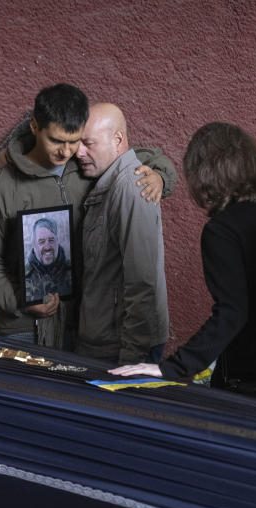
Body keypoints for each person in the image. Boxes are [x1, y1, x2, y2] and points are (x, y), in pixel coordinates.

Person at [110, 122, 256, 411]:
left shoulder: (223, 230)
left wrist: (173, 368)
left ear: (204, 173)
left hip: (251, 385)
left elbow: (232, 312)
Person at [0, 83, 176, 348]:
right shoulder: (1, 186)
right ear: (35, 127)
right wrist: (22, 299)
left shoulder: (87, 165)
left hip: (83, 327)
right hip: (25, 330)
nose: (66, 151)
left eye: (74, 141)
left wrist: (160, 177)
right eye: (57, 141)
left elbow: (145, 157)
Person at [74, 103, 168, 365]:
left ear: (117, 139)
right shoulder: (109, 179)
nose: (78, 152)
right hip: (104, 339)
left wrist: (133, 360)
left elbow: (143, 283)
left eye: (88, 143)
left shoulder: (130, 187)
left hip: (119, 348)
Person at [24, 217, 72, 303]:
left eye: (51, 240)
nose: (47, 247)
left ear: (58, 242)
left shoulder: (71, 269)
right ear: (34, 246)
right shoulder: (24, 275)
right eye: (41, 242)